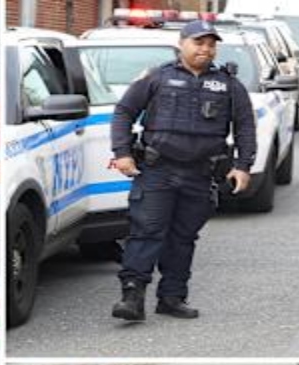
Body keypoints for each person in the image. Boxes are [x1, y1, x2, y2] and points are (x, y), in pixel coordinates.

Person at [108, 19, 256, 321]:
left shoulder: (228, 84)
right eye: (198, 43)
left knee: (183, 237)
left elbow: (245, 126)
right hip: (157, 170)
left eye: (211, 44)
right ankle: (132, 297)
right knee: (146, 232)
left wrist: (243, 166)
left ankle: (172, 298)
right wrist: (122, 153)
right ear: (182, 44)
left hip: (200, 174)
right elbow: (124, 111)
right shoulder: (157, 78)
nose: (205, 49)